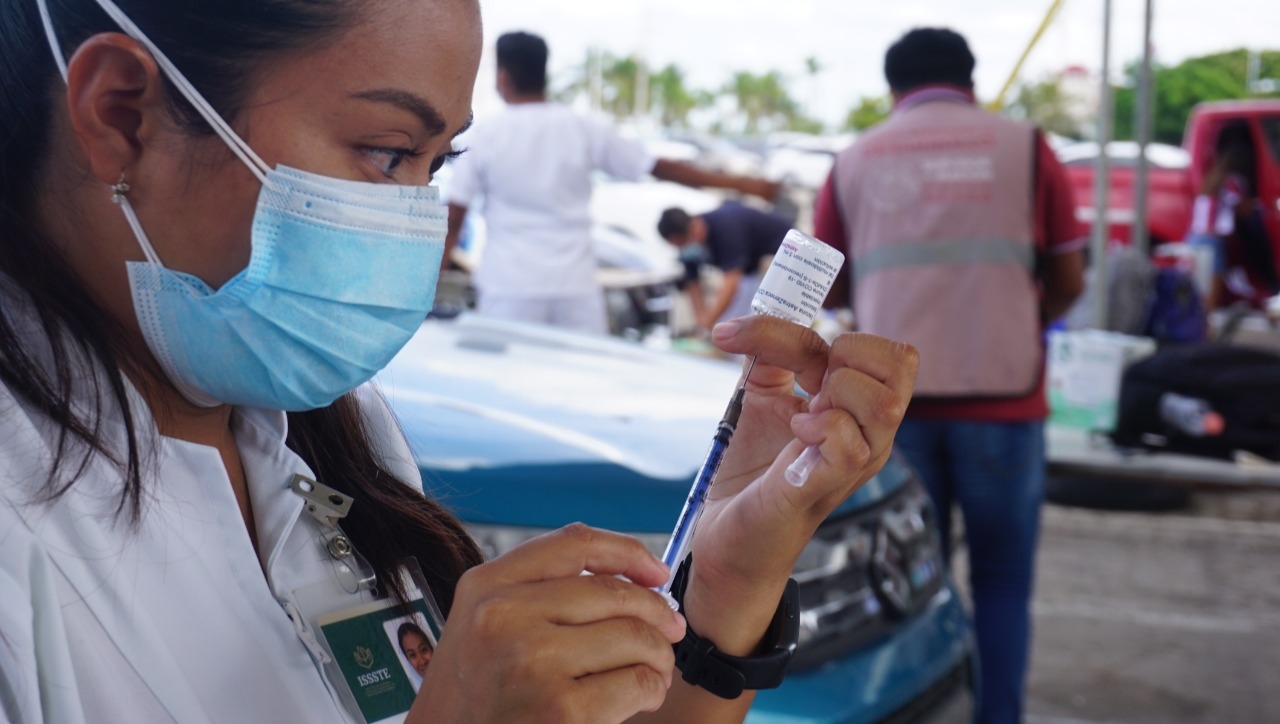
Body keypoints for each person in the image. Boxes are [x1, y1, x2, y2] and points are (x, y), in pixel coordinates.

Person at [0, 1, 919, 723]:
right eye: (389, 153)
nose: (419, 230)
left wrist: (730, 580)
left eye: (437, 167)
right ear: (122, 114)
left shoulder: (330, 431)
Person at [812, 28, 1085, 724]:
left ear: (893, 87)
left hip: (890, 414)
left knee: (903, 587)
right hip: (1005, 403)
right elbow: (1068, 275)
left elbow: (831, 286)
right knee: (1000, 585)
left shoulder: (853, 159)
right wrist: (1022, 320)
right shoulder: (1026, 146)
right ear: (970, 78)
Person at [444, 31, 781, 335]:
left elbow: (454, 222)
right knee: (581, 386)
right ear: (543, 75)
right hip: (573, 289)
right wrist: (745, 184)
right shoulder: (581, 127)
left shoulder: (484, 136)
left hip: (509, 290)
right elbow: (661, 167)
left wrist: (426, 295)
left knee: (508, 384)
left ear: (501, 78)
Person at [657, 203, 794, 331]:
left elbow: (731, 283)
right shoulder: (688, 249)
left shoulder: (726, 225)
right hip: (751, 268)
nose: (683, 248)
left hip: (785, 259)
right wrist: (702, 322)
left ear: (695, 227)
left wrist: (709, 323)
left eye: (683, 242)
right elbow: (693, 285)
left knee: (750, 322)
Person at [1187, 126, 1274, 309]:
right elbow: (1245, 210)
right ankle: (1203, 335)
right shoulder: (1234, 181)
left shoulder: (1211, 180)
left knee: (1198, 294)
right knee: (1210, 299)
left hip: (1194, 238)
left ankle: (1196, 332)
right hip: (1212, 242)